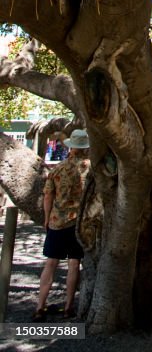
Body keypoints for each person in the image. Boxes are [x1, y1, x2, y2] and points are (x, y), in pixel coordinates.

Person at [33, 129, 91, 320]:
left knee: (51, 263)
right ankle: (68, 307)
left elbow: (48, 195)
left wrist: (47, 217)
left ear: (71, 147)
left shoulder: (58, 169)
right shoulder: (91, 170)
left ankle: (40, 306)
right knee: (74, 264)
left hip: (57, 222)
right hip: (80, 222)